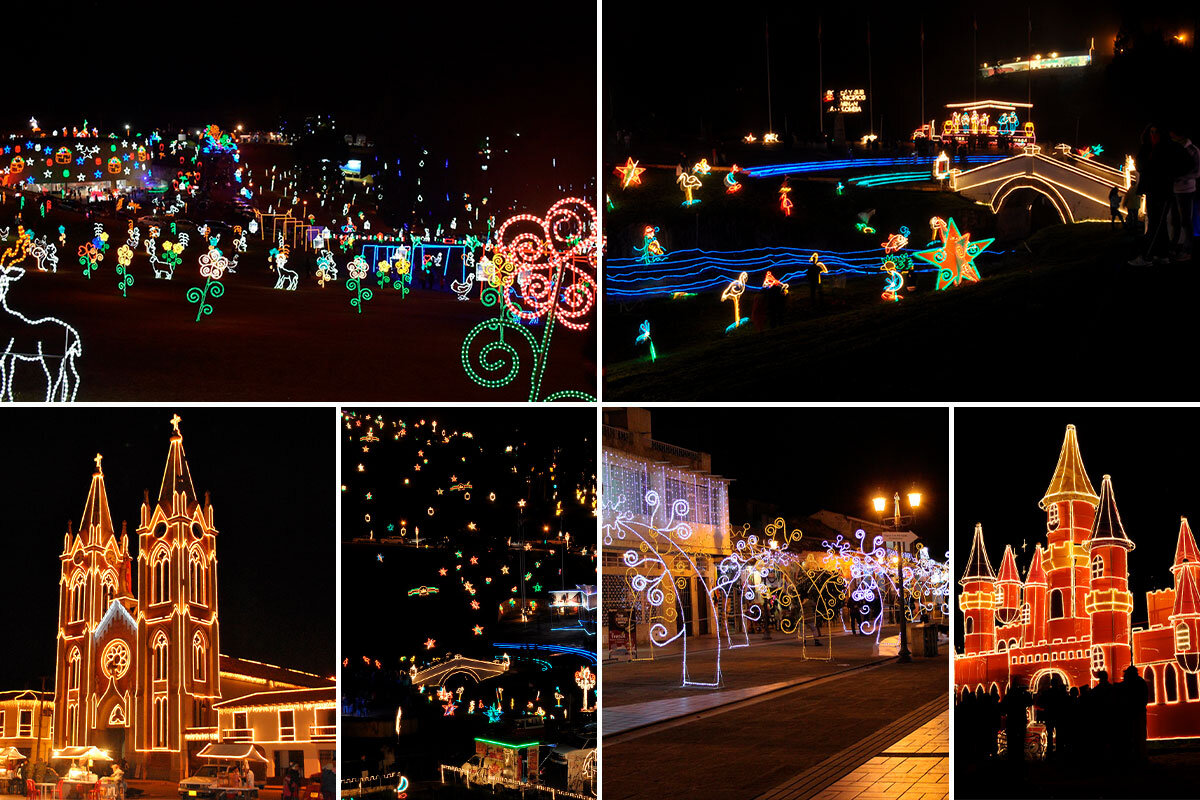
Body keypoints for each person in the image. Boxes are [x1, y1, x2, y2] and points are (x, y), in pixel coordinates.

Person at [1168, 126, 1199, 262]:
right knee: (1175, 220)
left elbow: (1197, 172)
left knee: (1186, 220)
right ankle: (1175, 248)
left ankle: (1187, 250)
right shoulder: (1174, 148)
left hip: (1186, 190)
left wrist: (1179, 177)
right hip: (1174, 189)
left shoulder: (1193, 150)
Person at [1118, 664, 1149, 762]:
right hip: (1137, 711)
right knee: (1139, 735)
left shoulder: (1129, 683)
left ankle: (1136, 756)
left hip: (1132, 712)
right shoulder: (1140, 682)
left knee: (1133, 735)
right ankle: (1140, 756)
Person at [1002, 677, 1033, 761]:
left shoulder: (1008, 696)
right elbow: (1030, 702)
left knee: (1012, 742)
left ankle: (1012, 758)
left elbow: (1003, 709)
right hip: (1020, 720)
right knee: (1020, 742)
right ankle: (1019, 758)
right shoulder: (1022, 694)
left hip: (1011, 721)